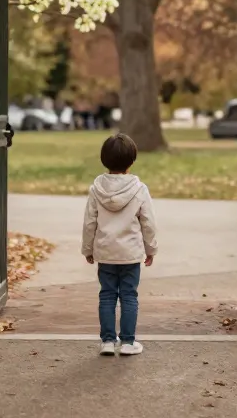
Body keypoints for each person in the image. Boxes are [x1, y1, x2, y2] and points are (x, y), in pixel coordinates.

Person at [81, 133, 158, 356]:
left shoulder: (97, 189)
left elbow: (89, 222)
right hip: (131, 254)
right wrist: (150, 248)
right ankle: (127, 342)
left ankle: (106, 341)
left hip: (105, 252)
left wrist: (88, 249)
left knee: (106, 294)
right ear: (132, 161)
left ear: (104, 160)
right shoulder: (139, 189)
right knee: (128, 296)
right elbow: (148, 222)